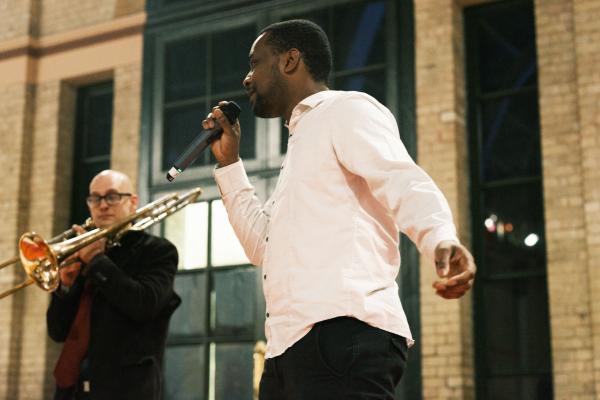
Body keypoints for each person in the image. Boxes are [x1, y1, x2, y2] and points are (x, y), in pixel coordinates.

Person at [203, 19, 476, 400]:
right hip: (288, 346)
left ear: (290, 60)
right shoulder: (299, 145)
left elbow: (400, 178)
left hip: (342, 333)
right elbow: (260, 246)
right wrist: (230, 164)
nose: (247, 79)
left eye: (255, 63)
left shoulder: (346, 110)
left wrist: (439, 237)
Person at [47, 170, 181, 400]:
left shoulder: (158, 251)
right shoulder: (79, 254)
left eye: (112, 197)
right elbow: (57, 332)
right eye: (95, 199)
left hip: (126, 390)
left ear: (133, 202)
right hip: (71, 390)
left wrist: (97, 262)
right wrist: (66, 288)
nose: (103, 205)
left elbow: (143, 305)